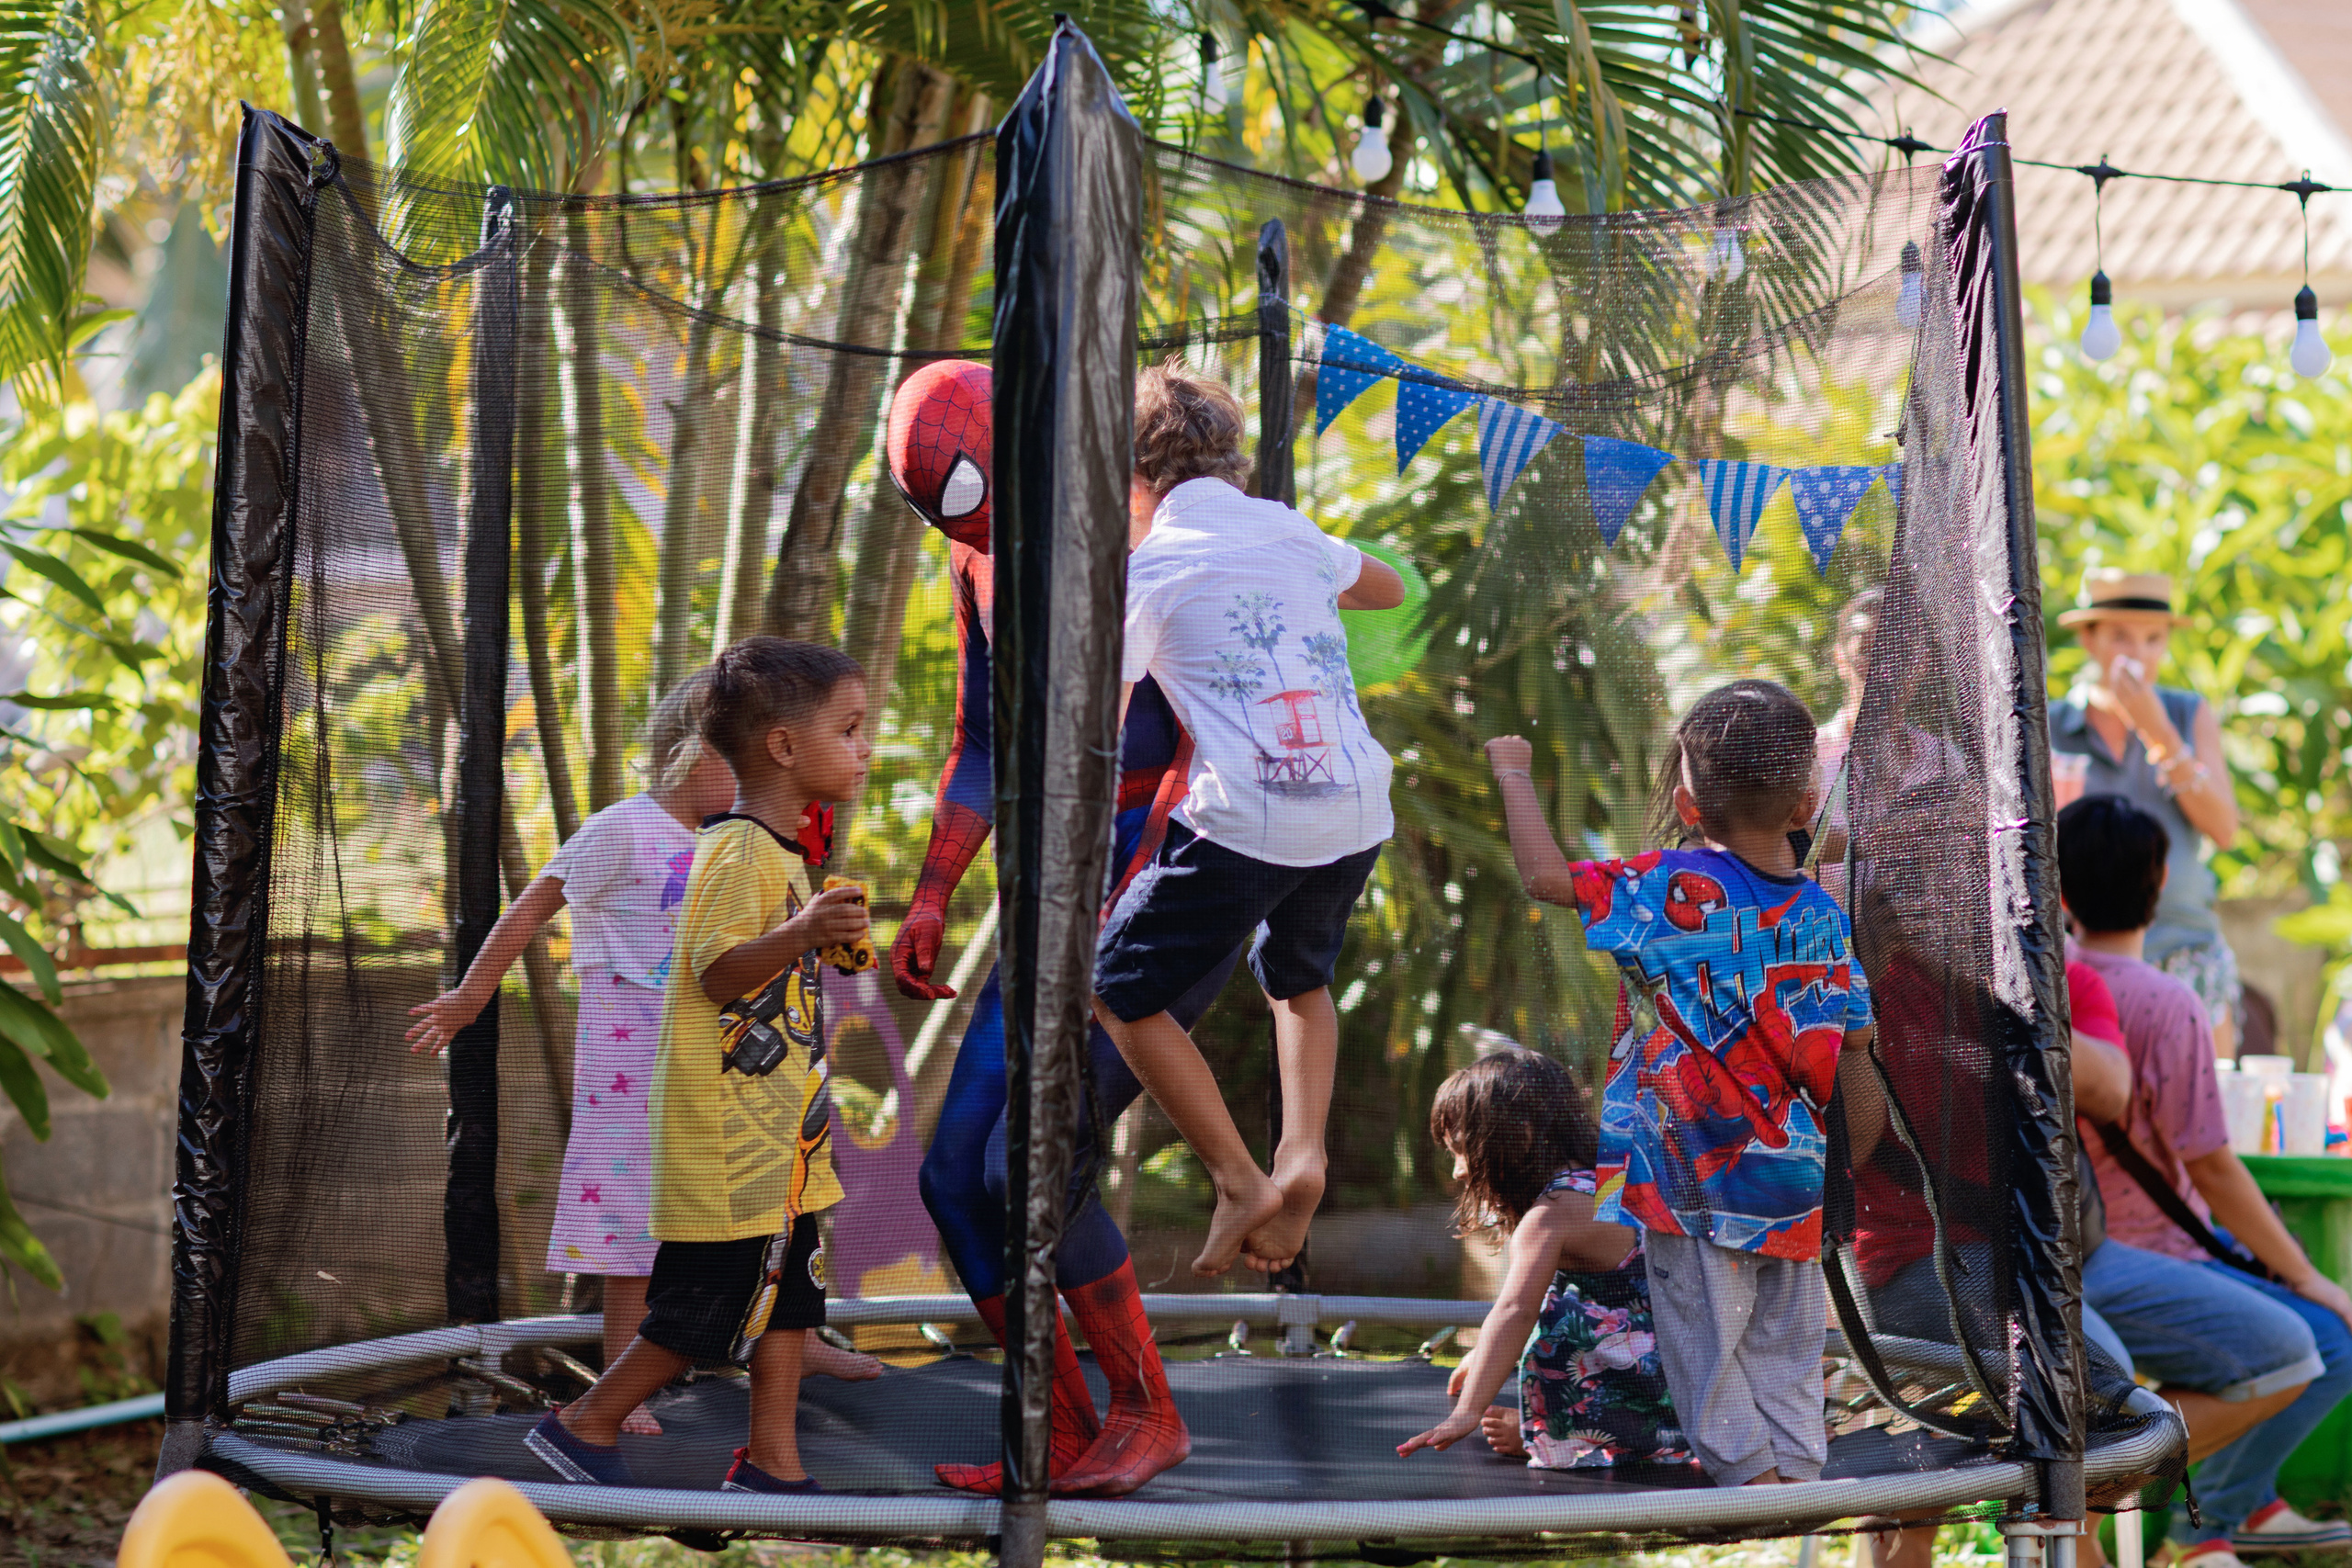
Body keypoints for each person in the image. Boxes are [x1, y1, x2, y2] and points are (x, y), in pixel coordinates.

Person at [884, 358, 1242, 1499]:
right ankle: (1062, 1431)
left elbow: (1206, 747)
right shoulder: (975, 553)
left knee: (1031, 1167)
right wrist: (938, 888)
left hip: (1164, 905)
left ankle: (1149, 1412)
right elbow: (985, 740)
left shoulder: (1154, 542)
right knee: (953, 1179)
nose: (986, 537)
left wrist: (1123, 905)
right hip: (1051, 912)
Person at [404, 674, 879, 1431]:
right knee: (635, 1224)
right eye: (735, 762)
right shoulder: (621, 830)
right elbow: (530, 906)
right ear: (692, 757)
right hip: (631, 1068)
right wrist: (469, 996)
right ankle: (620, 1379)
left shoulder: (736, 842)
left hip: (724, 1066)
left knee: (772, 1201)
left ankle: (792, 1342)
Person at [1485, 679, 1874, 1488]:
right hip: (1794, 1186)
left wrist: (1514, 773)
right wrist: (1851, 1165)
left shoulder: (1665, 891)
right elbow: (1858, 1048)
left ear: (1687, 804)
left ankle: (1756, 1487)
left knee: (1705, 1353)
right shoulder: (1823, 916)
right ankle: (1796, 1478)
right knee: (1786, 1350)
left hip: (1691, 1188)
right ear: (1806, 801)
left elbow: (1545, 878)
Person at [526, 637, 875, 1493]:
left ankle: (772, 1460)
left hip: (782, 1132)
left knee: (790, 1298)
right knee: (703, 1306)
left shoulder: (786, 854)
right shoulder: (734, 850)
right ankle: (585, 1422)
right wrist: (799, 934)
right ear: (784, 748)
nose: (865, 749)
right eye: (851, 729)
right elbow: (715, 970)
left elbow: (777, 978)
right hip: (727, 1135)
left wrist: (839, 945)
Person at [1091, 361, 1405, 1283]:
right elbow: (1383, 586)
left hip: (1251, 815)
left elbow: (1101, 714)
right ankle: (1300, 1152)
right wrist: (1307, 580)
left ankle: (1239, 1176)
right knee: (1297, 981)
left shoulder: (1152, 567)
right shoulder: (1289, 530)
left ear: (1135, 484)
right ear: (1235, 465)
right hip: (1355, 807)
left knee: (1117, 989)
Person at [2062, 794, 2352, 1567]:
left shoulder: (2048, 981)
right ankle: (2198, 1522)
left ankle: (2235, 1509)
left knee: (2311, 1333)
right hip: (2149, 1255)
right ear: (2161, 883)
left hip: (2084, 1245)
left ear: (2056, 889)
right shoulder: (2165, 999)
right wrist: (2311, 1277)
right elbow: (2212, 1164)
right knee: (2328, 1337)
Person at [1397, 1049, 1692, 1472]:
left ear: (1520, 1136)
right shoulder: (1601, 1178)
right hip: (1676, 1357)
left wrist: (1467, 1411)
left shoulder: (1549, 1215)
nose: (1459, 1171)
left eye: (1463, 1150)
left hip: (1650, 1387)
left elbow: (1515, 1311)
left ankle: (1553, 1435)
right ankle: (1557, 1429)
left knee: (1561, 1328)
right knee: (1565, 1306)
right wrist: (1484, 1354)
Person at [2050, 570, 2243, 1055]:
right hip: (2090, 959)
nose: (2138, 654)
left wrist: (2159, 730)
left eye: (2153, 639)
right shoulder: (2050, 725)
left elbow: (2225, 830)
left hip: (2187, 948)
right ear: (2089, 639)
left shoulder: (2186, 713)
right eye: (2120, 636)